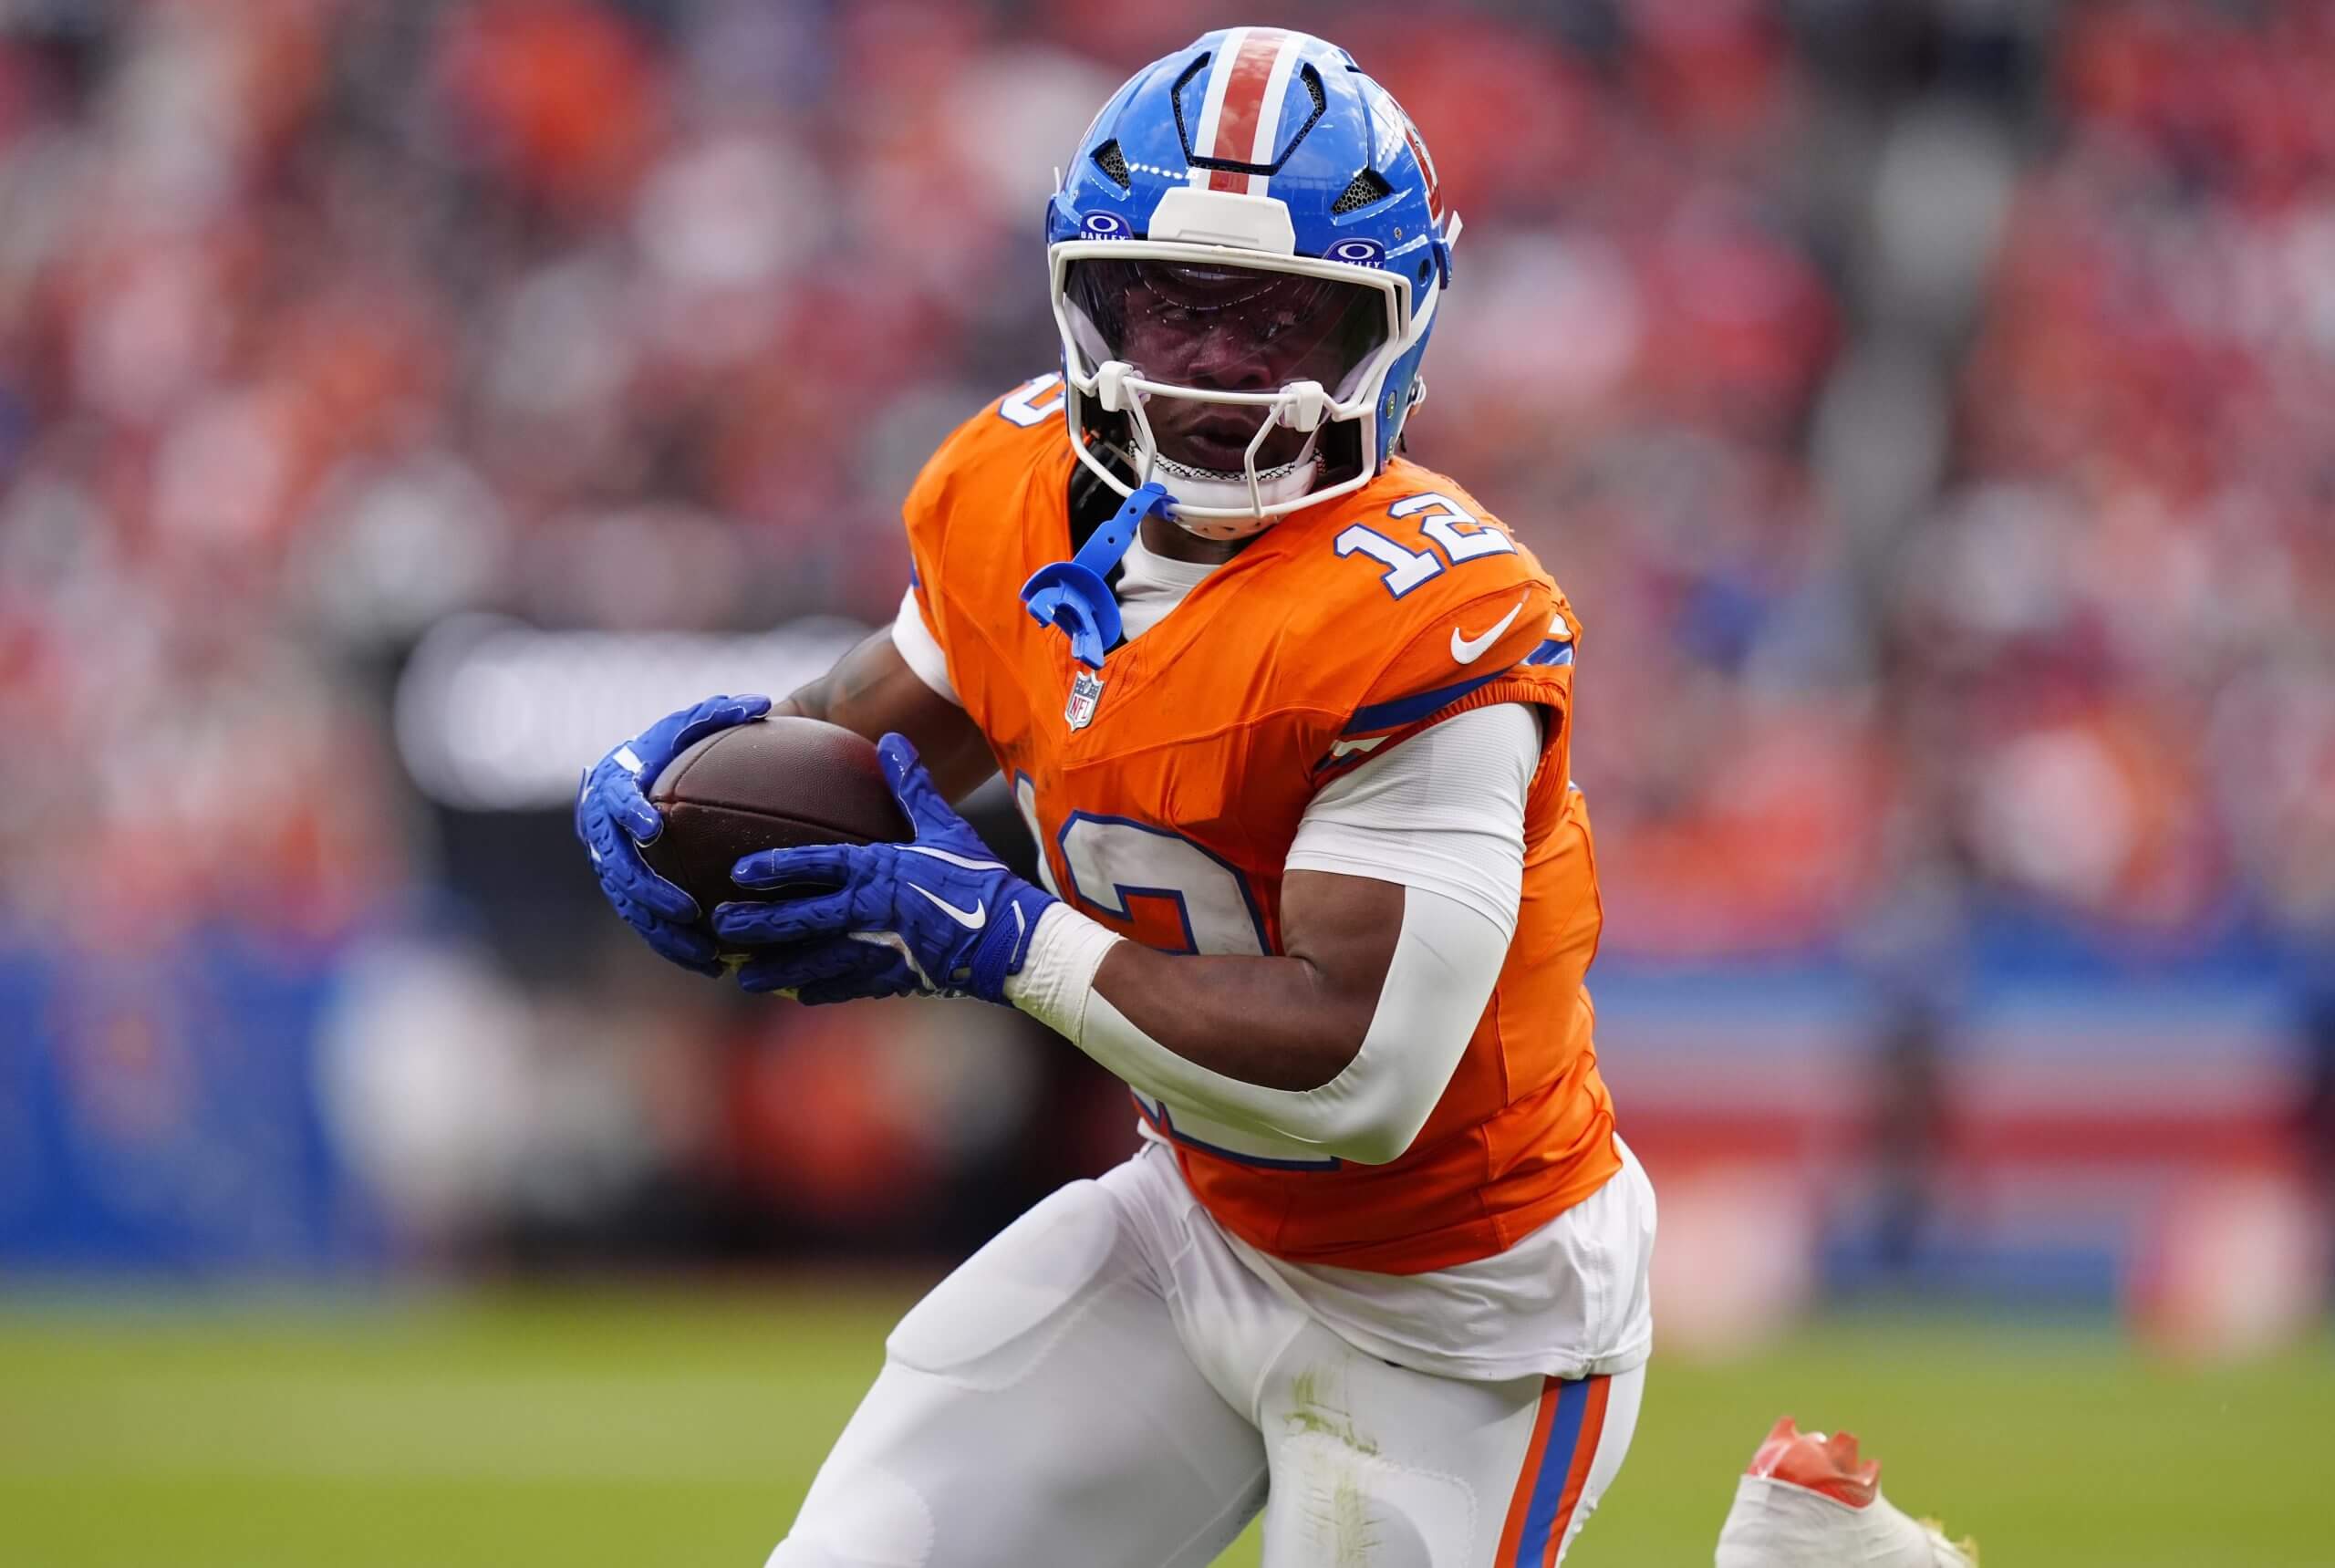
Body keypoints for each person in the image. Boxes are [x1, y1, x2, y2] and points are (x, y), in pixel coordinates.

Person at [578, 28, 1654, 1566]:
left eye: (1284, 319)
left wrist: (1001, 939)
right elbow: (867, 748)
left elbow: (1362, 1080)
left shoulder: (1433, 619)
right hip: (1195, 1220)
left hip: (1460, 1306)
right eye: (1171, 305)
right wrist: (675, 790)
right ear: (1086, 298)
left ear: (1397, 329)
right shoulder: (1014, 487)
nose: (1216, 369)